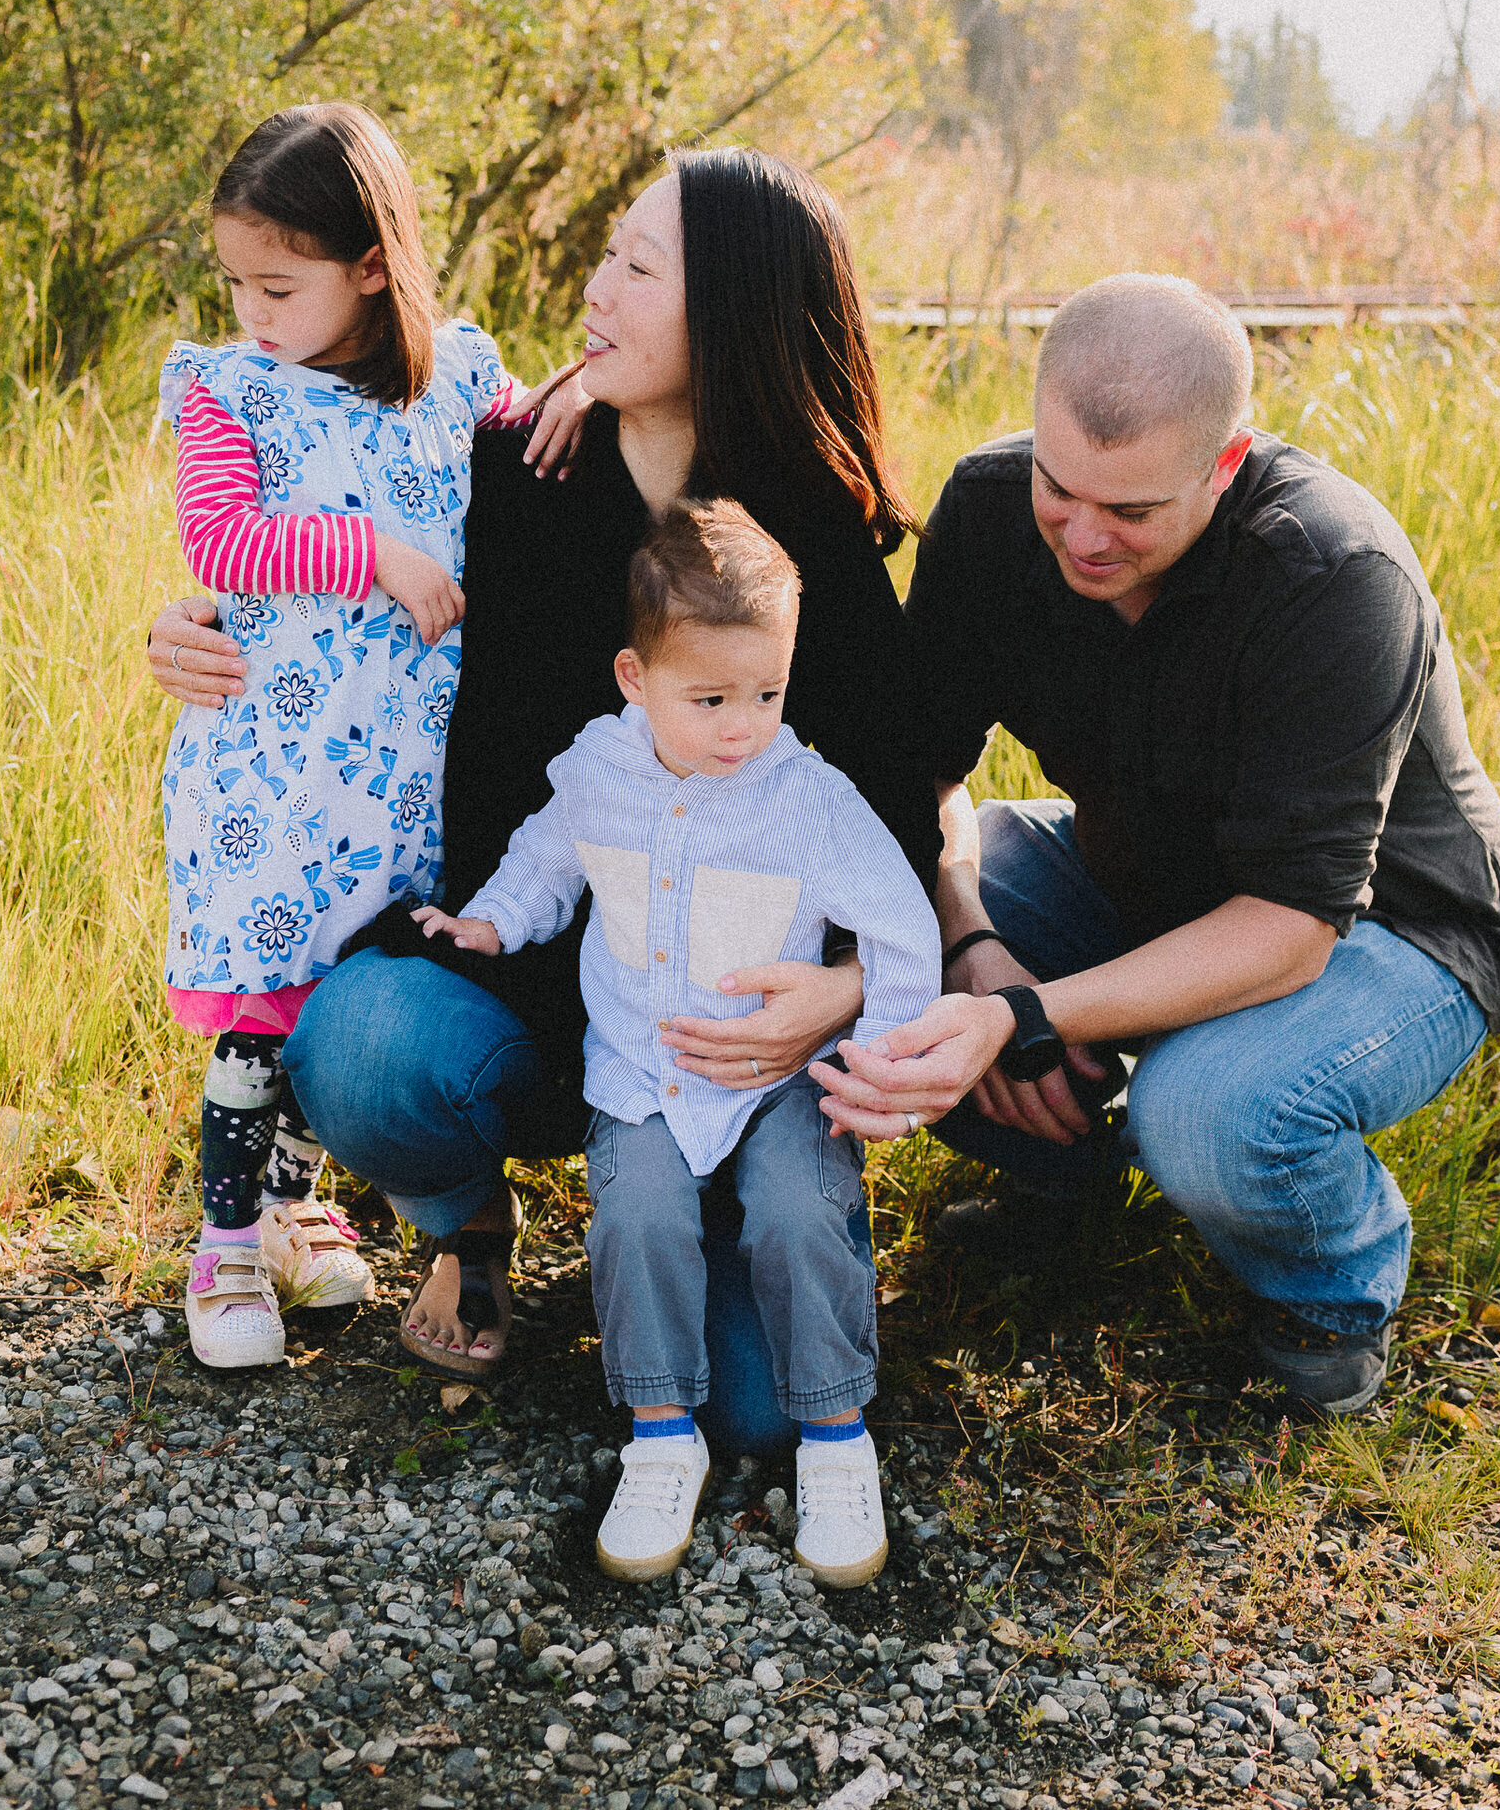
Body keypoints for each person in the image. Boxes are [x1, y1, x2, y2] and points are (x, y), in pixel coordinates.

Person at [145, 148, 941, 1429]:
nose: (595, 287)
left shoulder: (806, 539)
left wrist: (847, 989)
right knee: (362, 1044)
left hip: (722, 1034)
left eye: (637, 267)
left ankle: (735, 1221)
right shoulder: (518, 470)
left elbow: (896, 812)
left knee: (750, 1414)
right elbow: (344, 557)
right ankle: (470, 1232)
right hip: (526, 974)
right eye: (606, 254)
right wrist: (198, 629)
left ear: (731, 307)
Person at [810, 272, 1500, 1416]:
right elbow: (920, 773)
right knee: (866, 934)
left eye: (1133, 513)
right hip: (1130, 872)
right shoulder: (993, 509)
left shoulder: (1333, 578)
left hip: (1389, 934)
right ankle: (1065, 1171)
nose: (1084, 536)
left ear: (1225, 462)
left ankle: (1329, 1286)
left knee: (1203, 1111)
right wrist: (970, 944)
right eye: (1062, 489)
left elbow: (1291, 931)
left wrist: (1024, 1016)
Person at [416, 500, 941, 1583]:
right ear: (632, 678)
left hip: (778, 1080)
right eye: (707, 699)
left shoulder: (807, 798)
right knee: (639, 1219)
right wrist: (495, 918)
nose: (740, 725)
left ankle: (837, 1438)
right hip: (642, 1073)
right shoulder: (596, 772)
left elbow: (898, 924)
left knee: (801, 1214)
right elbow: (547, 857)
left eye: (765, 693)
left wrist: (879, 1059)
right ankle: (661, 1434)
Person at [154, 102, 584, 1370]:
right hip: (272, 774)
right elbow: (220, 543)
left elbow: (529, 451)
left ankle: (292, 1213)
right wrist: (376, 553)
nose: (253, 313)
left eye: (279, 286)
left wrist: (579, 391)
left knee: (337, 1002)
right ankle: (224, 1250)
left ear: (373, 266)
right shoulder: (233, 390)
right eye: (235, 283)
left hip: (394, 791)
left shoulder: (455, 378)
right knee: (261, 1015)